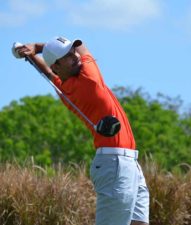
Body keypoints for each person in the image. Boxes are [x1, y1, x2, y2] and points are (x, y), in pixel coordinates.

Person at [15, 36, 150, 225]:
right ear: (57, 67)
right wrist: (37, 47)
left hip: (127, 163)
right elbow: (82, 47)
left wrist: (34, 53)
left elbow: (48, 73)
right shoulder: (89, 77)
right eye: (67, 57)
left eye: (72, 52)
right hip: (116, 163)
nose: (75, 56)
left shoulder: (64, 89)